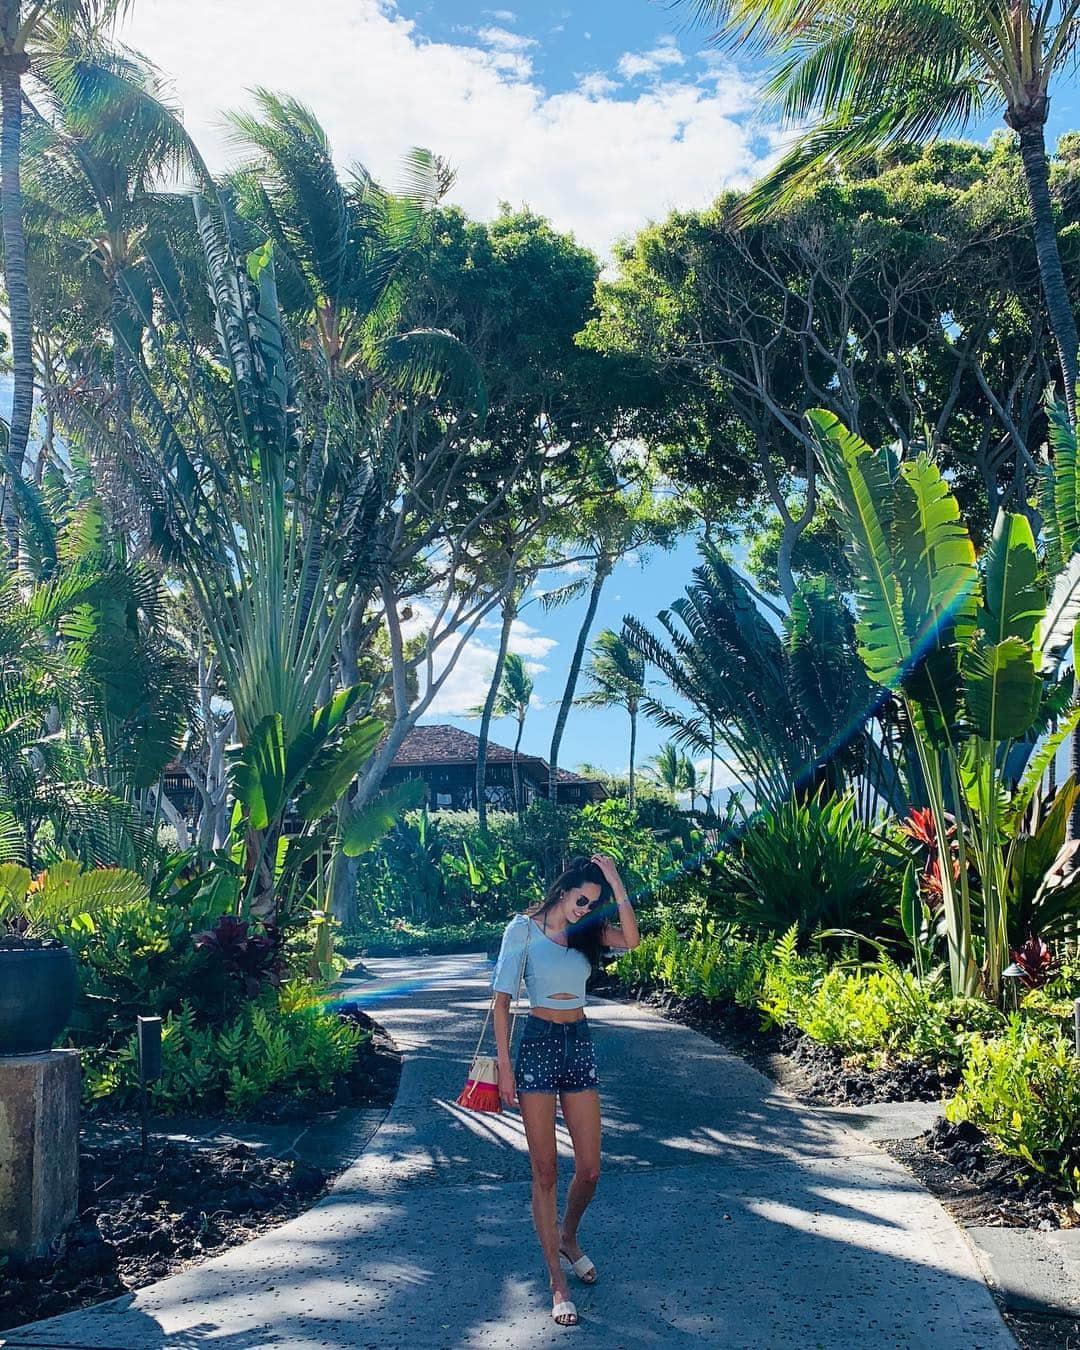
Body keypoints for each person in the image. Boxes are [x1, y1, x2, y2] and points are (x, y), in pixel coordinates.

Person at [490, 853, 639, 1329]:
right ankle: (557, 1279)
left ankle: (568, 1237)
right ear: (562, 888)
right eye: (581, 898)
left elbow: (632, 941)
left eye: (592, 903)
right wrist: (505, 1066)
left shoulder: (587, 931)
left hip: (579, 1042)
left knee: (591, 1169)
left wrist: (614, 883)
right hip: (537, 1044)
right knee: (545, 1169)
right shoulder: (522, 930)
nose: (583, 908)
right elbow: (502, 1003)